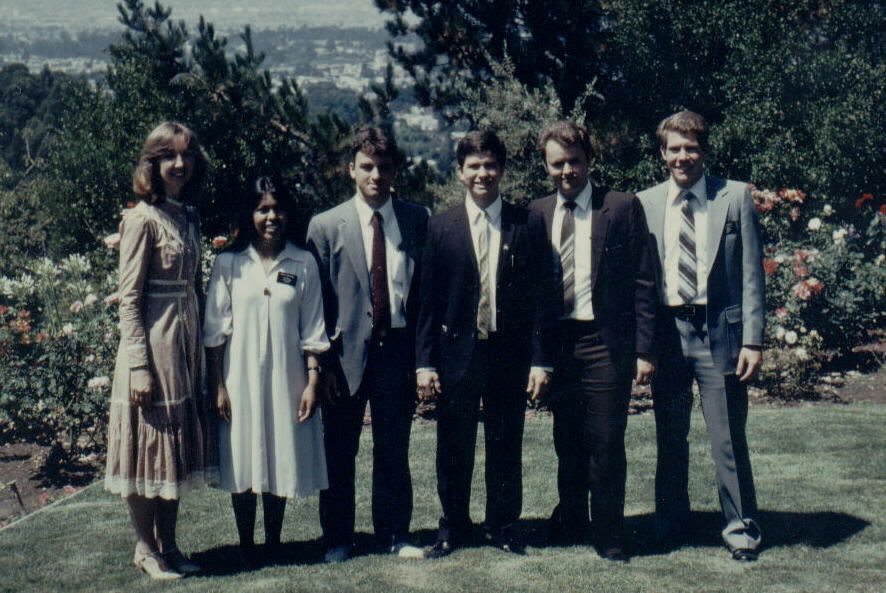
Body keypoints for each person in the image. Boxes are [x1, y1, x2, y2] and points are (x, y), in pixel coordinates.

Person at [416, 130, 555, 559]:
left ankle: (503, 526)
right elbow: (425, 301)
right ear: (460, 172)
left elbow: (541, 298)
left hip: (507, 355)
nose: (483, 174)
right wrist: (424, 363)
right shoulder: (440, 227)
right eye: (474, 166)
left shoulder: (526, 222)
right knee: (453, 446)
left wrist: (541, 360)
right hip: (457, 354)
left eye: (490, 165)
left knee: (504, 442)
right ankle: (452, 526)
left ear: (502, 170)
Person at [637, 110, 765, 562]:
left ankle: (740, 529)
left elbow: (752, 272)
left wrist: (753, 339)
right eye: (674, 148)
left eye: (691, 147)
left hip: (720, 335)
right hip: (669, 336)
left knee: (727, 437)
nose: (683, 156)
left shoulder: (734, 197)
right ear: (662, 154)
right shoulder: (646, 202)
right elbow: (641, 280)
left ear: (704, 151)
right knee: (670, 435)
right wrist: (642, 345)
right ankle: (671, 523)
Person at [529, 121, 657, 561]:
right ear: (546, 166)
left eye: (574, 161)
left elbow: (643, 281)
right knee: (567, 439)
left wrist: (644, 349)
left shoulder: (620, 207)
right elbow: (532, 296)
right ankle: (570, 519)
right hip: (560, 345)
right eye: (557, 163)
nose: (567, 171)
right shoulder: (537, 212)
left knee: (604, 439)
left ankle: (608, 532)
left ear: (589, 160)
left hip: (606, 343)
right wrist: (538, 357)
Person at [306, 126, 429, 563]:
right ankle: (338, 537)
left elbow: (423, 294)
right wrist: (321, 365)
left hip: (397, 350)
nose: (376, 175)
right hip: (344, 357)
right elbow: (316, 302)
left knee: (393, 450)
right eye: (367, 167)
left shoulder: (417, 219)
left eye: (384, 167)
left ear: (395, 170)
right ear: (352, 170)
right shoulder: (325, 226)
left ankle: (395, 533)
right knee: (340, 451)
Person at [203, 176, 329, 568]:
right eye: (262, 209)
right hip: (238, 376)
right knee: (242, 452)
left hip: (287, 375)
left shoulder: (302, 261)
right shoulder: (229, 264)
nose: (271, 216)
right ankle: (246, 544)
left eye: (277, 209)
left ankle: (274, 542)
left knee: (279, 450)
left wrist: (311, 380)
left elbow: (313, 328)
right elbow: (214, 330)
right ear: (250, 214)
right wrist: (218, 385)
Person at [104, 121, 210, 579]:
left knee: (174, 450)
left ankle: (170, 544)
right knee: (147, 448)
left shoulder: (186, 217)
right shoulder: (141, 219)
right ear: (153, 163)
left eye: (185, 156)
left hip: (183, 347)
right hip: (151, 345)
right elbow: (128, 299)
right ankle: (145, 548)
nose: (179, 165)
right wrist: (139, 366)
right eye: (169, 156)